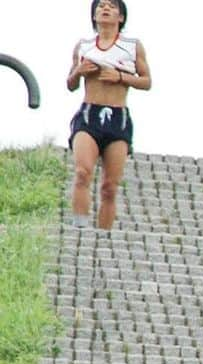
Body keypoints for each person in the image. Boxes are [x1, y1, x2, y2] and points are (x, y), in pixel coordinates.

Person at [66, 0, 151, 232]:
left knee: (109, 186)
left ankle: (104, 236)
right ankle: (80, 227)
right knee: (82, 172)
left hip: (117, 116)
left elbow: (146, 81)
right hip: (89, 114)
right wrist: (78, 71)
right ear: (93, 15)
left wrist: (121, 77)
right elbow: (70, 83)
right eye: (100, 5)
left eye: (111, 6)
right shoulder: (83, 46)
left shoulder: (132, 46)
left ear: (121, 17)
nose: (105, 9)